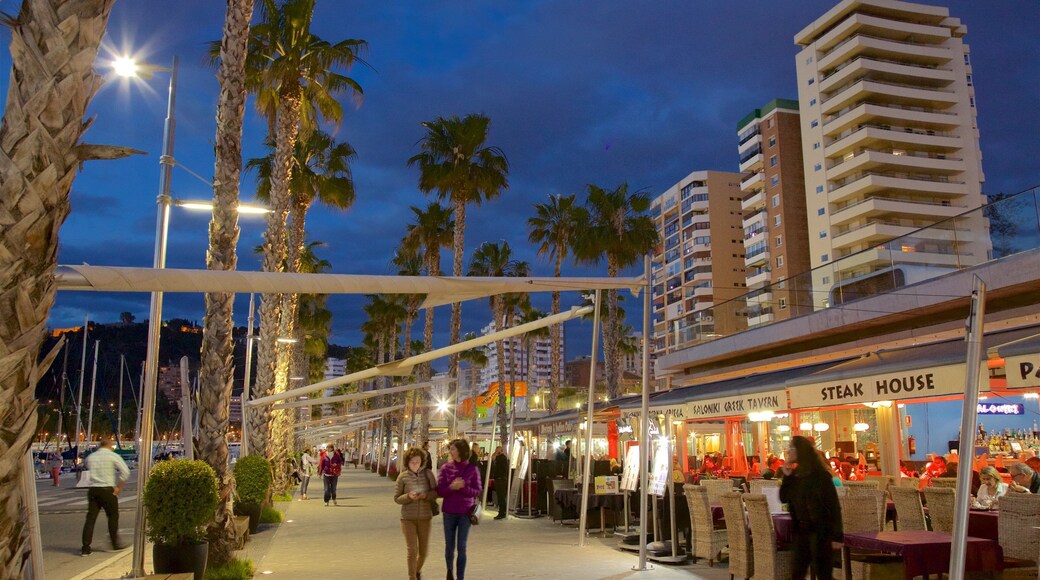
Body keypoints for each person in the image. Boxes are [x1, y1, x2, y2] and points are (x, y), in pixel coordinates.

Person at [780, 435, 842, 580]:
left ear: (800, 451)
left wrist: (837, 535)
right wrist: (786, 476)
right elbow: (783, 498)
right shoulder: (795, 476)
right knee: (797, 572)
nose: (788, 451)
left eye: (791, 448)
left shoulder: (820, 476)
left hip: (821, 532)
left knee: (823, 573)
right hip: (801, 531)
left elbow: (833, 506)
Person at [437, 439, 482, 580]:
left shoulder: (472, 469)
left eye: (453, 449)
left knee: (462, 547)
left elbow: (477, 490)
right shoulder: (445, 468)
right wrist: (451, 487)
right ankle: (449, 571)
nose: (450, 451)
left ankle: (460, 577)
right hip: (449, 512)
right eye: (450, 449)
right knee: (449, 546)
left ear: (461, 451)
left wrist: (463, 487)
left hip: (465, 512)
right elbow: (440, 490)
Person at [81, 439, 130, 556]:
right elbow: (126, 472)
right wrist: (119, 486)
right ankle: (114, 543)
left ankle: (85, 547)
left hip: (93, 490)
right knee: (113, 516)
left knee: (90, 519)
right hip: (107, 489)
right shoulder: (112, 456)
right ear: (109, 445)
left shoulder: (91, 457)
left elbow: (87, 466)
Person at [396, 447, 439, 580]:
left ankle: (417, 570)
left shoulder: (428, 474)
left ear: (422, 462)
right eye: (412, 462)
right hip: (408, 518)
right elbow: (397, 498)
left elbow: (436, 492)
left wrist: (426, 495)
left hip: (425, 517)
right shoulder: (402, 477)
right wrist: (408, 496)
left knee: (423, 552)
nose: (415, 464)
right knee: (412, 550)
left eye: (417, 462)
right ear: (407, 462)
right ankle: (412, 577)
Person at [490, 446, 509, 519]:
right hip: (499, 479)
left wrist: (496, 453)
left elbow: (493, 457)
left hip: (501, 479)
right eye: (496, 449)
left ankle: (502, 512)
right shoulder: (500, 457)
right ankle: (502, 511)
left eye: (497, 450)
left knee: (501, 496)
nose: (496, 451)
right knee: (500, 496)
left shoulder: (502, 457)